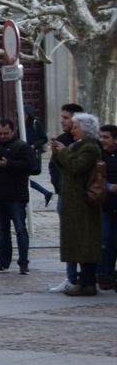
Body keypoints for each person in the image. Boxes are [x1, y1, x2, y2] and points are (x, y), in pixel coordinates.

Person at [52, 111, 104, 296]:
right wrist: (57, 153)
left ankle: (87, 282)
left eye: (76, 128)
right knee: (79, 242)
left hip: (83, 202)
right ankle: (84, 281)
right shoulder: (78, 145)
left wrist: (64, 151)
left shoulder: (90, 147)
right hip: (74, 202)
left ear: (86, 129)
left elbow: (76, 166)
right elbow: (66, 167)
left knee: (86, 242)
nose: (73, 131)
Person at [0, 118, 32, 274]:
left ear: (13, 131)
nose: (2, 136)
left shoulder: (22, 146)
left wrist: (7, 164)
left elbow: (32, 167)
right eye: (0, 133)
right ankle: (4, 262)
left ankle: (23, 262)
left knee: (20, 229)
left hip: (17, 195)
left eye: (5, 133)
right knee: (2, 232)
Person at [47, 103, 84, 291]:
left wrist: (65, 152)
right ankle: (70, 277)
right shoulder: (61, 139)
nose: (62, 121)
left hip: (83, 196)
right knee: (68, 237)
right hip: (65, 194)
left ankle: (89, 277)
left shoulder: (87, 142)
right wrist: (58, 186)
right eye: (62, 118)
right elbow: (54, 166)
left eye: (66, 118)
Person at [97, 124, 117, 291]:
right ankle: (105, 274)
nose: (102, 140)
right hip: (105, 204)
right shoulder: (99, 154)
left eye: (106, 137)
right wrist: (109, 186)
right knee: (106, 240)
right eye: (101, 136)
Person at [24, 105, 55, 206]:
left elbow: (44, 138)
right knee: (24, 178)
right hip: (24, 152)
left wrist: (34, 145)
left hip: (33, 154)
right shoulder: (23, 123)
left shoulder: (36, 123)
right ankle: (46, 193)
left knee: (24, 178)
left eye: (25, 114)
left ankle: (45, 193)